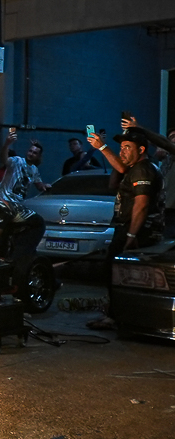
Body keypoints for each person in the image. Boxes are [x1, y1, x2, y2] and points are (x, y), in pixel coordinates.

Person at [86, 127, 164, 329]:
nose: (122, 151)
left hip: (137, 230)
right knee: (113, 272)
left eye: (128, 147)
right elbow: (113, 183)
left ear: (141, 150)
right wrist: (118, 161)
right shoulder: (132, 168)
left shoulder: (143, 169)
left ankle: (122, 317)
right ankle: (116, 315)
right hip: (125, 227)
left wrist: (131, 234)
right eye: (121, 147)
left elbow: (142, 205)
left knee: (125, 274)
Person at [0, 131, 48, 204]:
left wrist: (45, 186)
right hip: (3, 199)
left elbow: (39, 185)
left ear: (38, 156)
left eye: (34, 153)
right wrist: (7, 144)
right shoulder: (17, 161)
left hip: (17, 202)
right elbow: (3, 159)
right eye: (30, 151)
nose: (31, 154)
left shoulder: (34, 170)